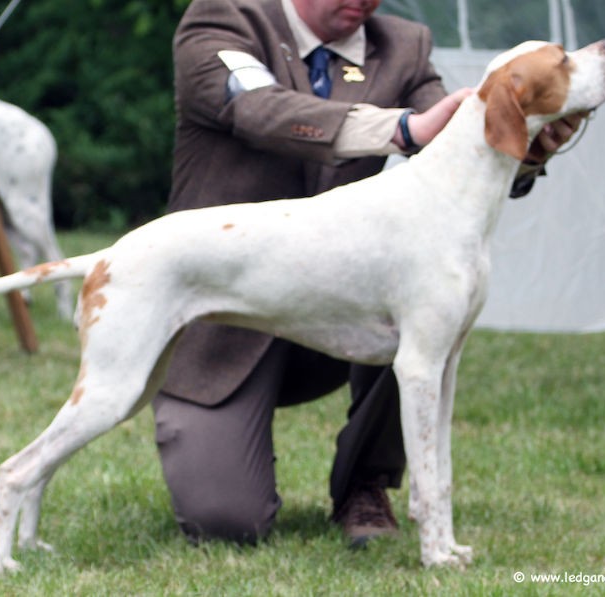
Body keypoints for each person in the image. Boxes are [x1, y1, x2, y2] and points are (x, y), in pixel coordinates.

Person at [153, 0, 582, 547]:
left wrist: (529, 148)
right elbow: (257, 109)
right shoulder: (224, 18)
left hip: (339, 317)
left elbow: (467, 145)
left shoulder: (404, 45)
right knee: (227, 522)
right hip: (224, 323)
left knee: (422, 288)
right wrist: (403, 127)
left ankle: (366, 481)